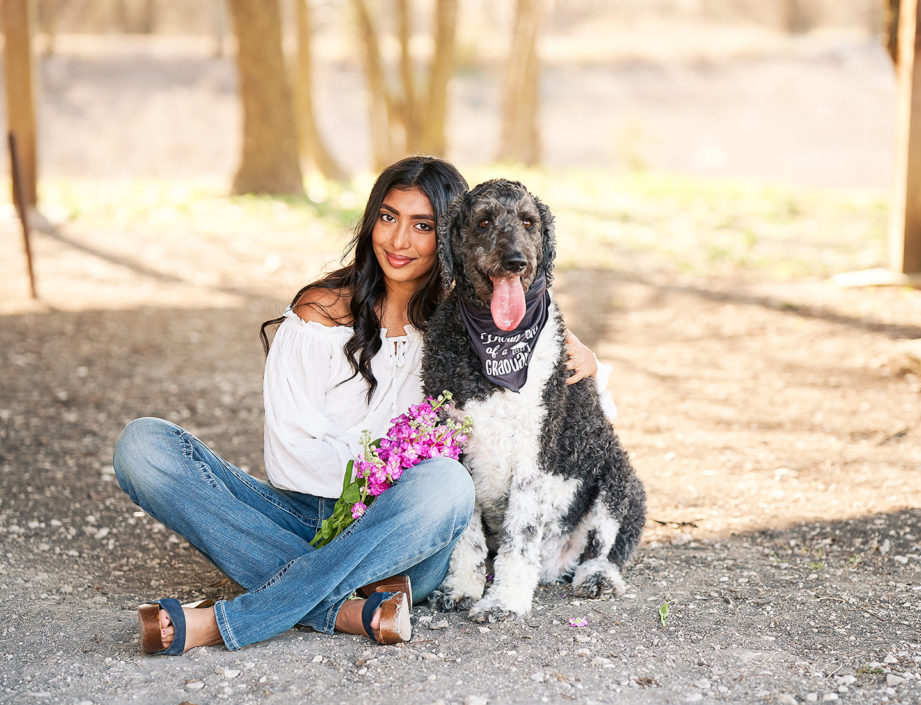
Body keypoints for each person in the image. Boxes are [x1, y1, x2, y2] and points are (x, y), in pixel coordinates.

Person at [112, 156, 608, 655]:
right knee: (144, 445)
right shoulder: (321, 312)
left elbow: (542, 361)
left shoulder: (465, 325)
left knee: (447, 483)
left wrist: (585, 354)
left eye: (423, 226)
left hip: (408, 532)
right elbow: (288, 457)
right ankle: (349, 606)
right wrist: (374, 478)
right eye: (388, 218)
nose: (398, 241)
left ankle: (226, 621)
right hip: (305, 511)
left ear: (454, 238)